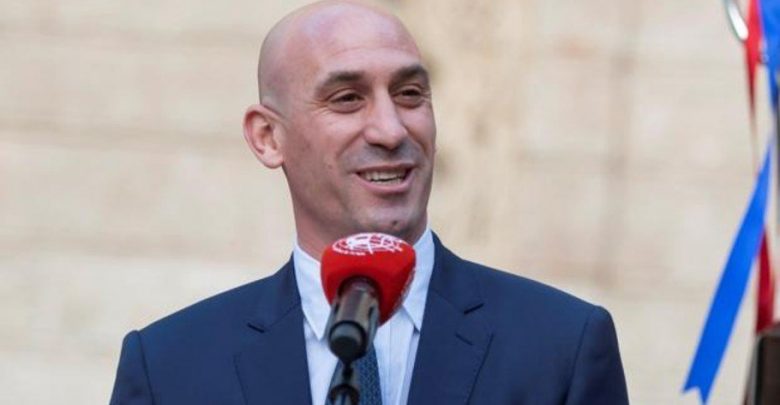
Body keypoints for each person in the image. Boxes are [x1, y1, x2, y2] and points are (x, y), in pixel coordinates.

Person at [109, 1, 629, 404]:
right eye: (347, 99)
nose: (391, 129)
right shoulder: (170, 368)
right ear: (268, 137)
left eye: (410, 94)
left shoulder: (562, 347)